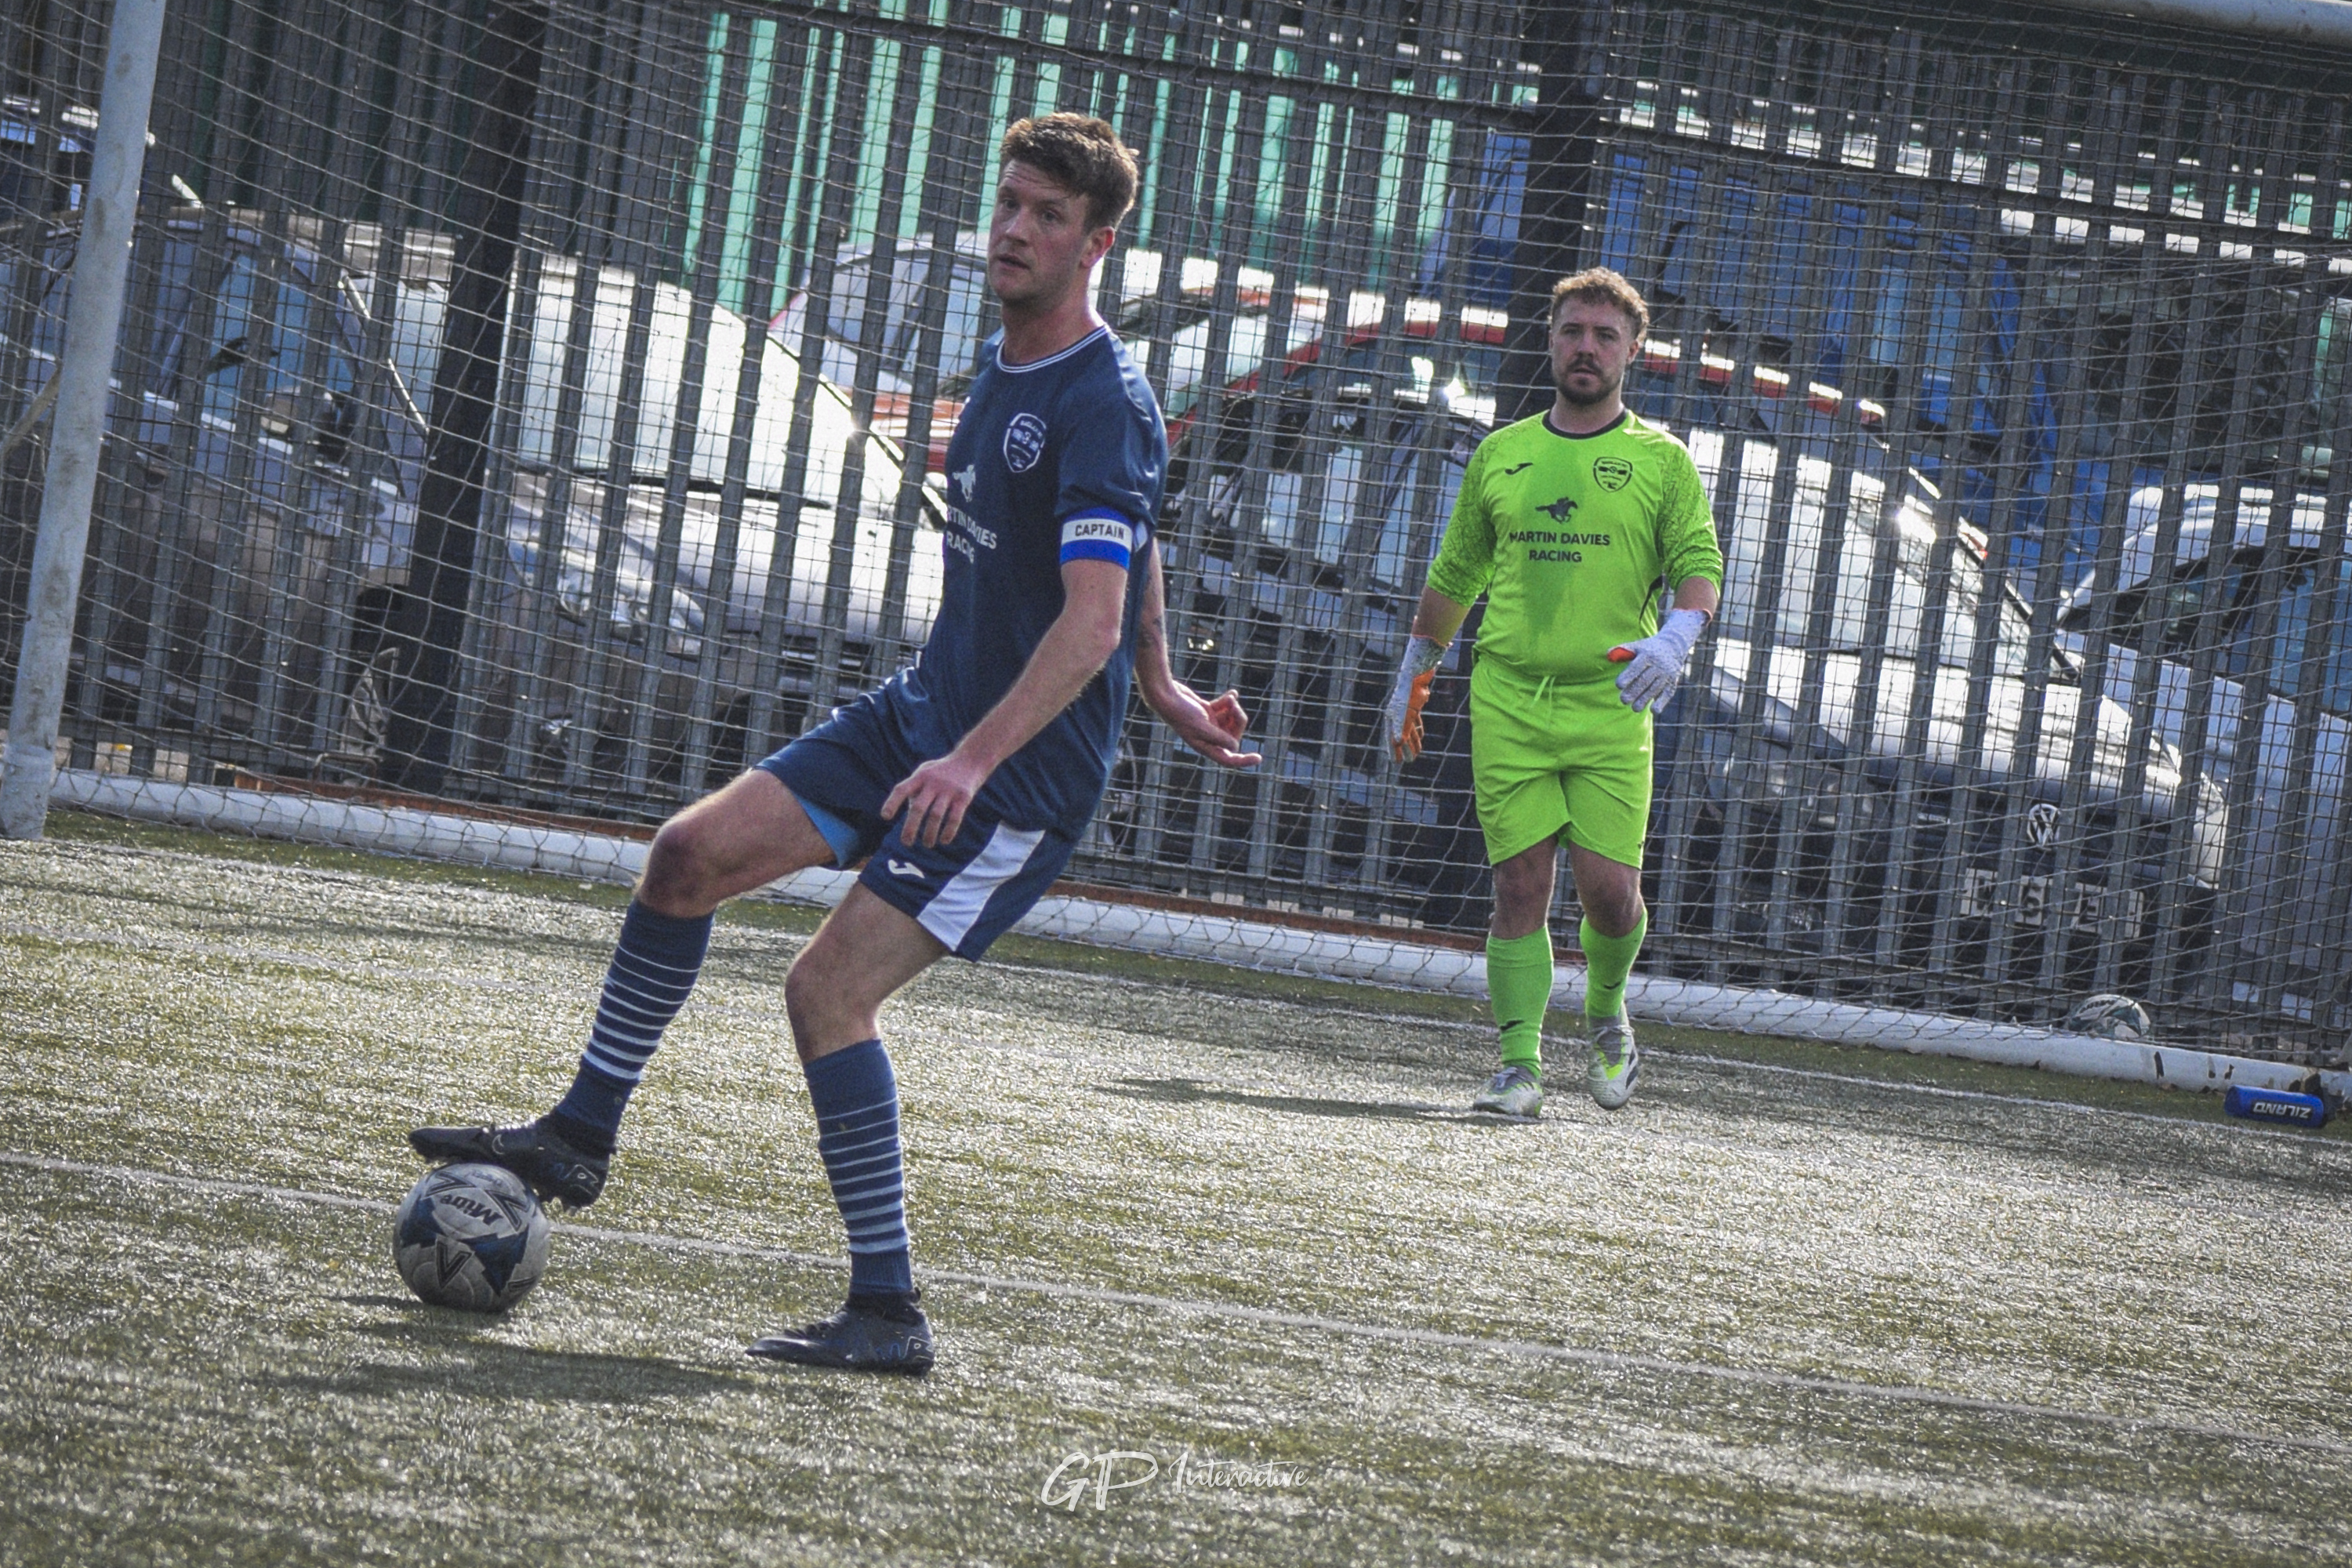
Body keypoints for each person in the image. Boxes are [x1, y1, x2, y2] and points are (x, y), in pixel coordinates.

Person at [409, 114, 1259, 1374]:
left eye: (1046, 216)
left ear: (1098, 243)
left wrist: (979, 758)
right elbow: (1128, 553)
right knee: (684, 858)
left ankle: (889, 1313)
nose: (1015, 231)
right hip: (920, 718)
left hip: (1010, 779)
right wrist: (1168, 678)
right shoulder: (1005, 358)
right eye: (1010, 205)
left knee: (826, 992)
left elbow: (1085, 610)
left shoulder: (1103, 394)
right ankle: (581, 1132)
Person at [1383, 268, 1722, 1120]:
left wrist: (1679, 635)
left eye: (1606, 336)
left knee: (1609, 892)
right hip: (1510, 698)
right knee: (1520, 885)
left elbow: (1698, 566)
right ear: (1550, 338)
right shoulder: (1503, 453)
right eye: (1573, 330)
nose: (1586, 347)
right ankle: (1519, 1065)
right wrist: (1417, 667)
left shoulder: (1661, 459)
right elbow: (1457, 571)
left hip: (1611, 705)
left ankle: (1606, 1006)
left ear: (1634, 352)